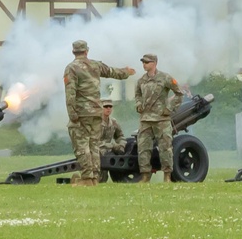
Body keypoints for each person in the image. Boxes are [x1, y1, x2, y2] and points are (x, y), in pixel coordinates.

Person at [63, 40, 136, 186]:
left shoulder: (71, 68)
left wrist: (72, 114)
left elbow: (70, 94)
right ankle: (95, 178)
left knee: (82, 146)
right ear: (86, 51)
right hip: (96, 113)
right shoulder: (96, 65)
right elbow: (112, 72)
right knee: (94, 145)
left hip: (82, 113)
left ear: (73, 52)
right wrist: (126, 72)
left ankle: (87, 178)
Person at [134, 53, 184, 183]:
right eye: (143, 62)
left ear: (154, 63)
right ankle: (145, 175)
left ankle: (167, 175)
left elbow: (179, 93)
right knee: (143, 148)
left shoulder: (165, 78)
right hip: (145, 120)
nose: (144, 64)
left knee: (165, 148)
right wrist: (138, 104)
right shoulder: (141, 80)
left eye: (147, 62)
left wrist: (169, 109)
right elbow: (137, 94)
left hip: (161, 120)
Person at [97, 99, 128, 183]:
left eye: (110, 106)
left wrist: (121, 145)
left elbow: (120, 136)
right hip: (97, 152)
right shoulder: (96, 122)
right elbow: (92, 140)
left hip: (109, 152)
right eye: (105, 107)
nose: (108, 109)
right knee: (100, 179)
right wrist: (111, 145)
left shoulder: (113, 122)